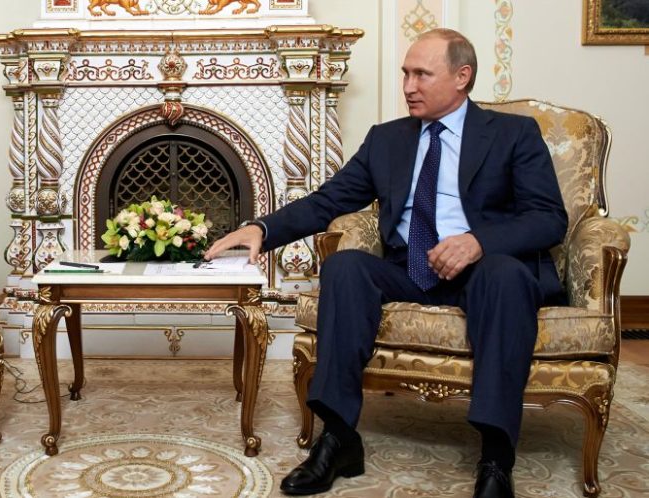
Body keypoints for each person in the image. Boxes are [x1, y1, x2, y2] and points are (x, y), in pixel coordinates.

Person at [205, 28, 566, 498]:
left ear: (462, 76)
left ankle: (496, 458)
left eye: (422, 74)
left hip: (484, 272)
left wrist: (478, 241)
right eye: (405, 74)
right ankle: (338, 438)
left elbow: (548, 218)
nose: (408, 86)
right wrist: (263, 229)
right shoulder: (387, 140)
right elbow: (329, 200)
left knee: (503, 275)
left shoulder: (513, 134)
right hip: (409, 269)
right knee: (345, 267)